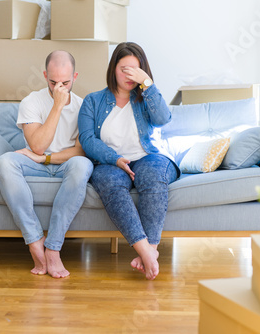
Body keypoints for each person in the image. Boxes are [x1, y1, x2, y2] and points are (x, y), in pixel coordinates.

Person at [78, 42, 179, 280]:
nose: (129, 75)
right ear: (113, 69)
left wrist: (148, 84)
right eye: (124, 69)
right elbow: (87, 139)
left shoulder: (145, 97)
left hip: (148, 157)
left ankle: (149, 251)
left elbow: (164, 118)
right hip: (110, 163)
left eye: (136, 70)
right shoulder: (92, 101)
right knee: (109, 182)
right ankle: (146, 251)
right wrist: (115, 159)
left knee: (154, 176)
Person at [0, 50, 93, 278]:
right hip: (34, 162)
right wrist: (57, 106)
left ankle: (54, 248)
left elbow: (80, 151)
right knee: (5, 161)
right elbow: (38, 146)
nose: (59, 87)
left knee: (83, 165)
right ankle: (34, 240)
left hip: (64, 164)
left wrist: (47, 158)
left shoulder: (84, 106)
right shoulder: (31, 101)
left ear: (75, 77)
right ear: (44, 75)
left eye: (66, 82)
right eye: (53, 82)